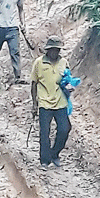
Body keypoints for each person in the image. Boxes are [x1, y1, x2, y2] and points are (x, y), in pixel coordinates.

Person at [30, 36, 72, 168]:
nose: (56, 52)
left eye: (57, 50)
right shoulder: (39, 63)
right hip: (44, 103)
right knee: (44, 132)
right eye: (53, 49)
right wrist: (34, 104)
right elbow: (33, 84)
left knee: (65, 129)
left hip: (60, 102)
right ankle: (44, 160)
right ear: (48, 50)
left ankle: (55, 153)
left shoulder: (64, 62)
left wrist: (70, 86)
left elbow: (67, 79)